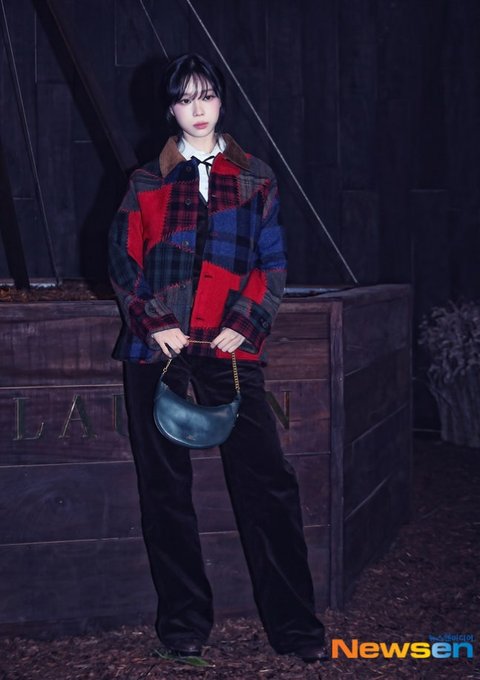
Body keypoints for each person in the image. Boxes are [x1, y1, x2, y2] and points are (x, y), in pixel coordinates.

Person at [108, 53, 328, 664]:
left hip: (230, 349)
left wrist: (245, 323)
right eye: (185, 99)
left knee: (268, 484)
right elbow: (123, 260)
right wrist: (155, 322)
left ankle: (295, 626)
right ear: (170, 108)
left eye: (206, 95)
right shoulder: (145, 181)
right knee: (165, 490)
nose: (197, 109)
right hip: (158, 349)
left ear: (222, 100)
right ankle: (184, 622)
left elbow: (272, 263)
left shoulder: (256, 177)